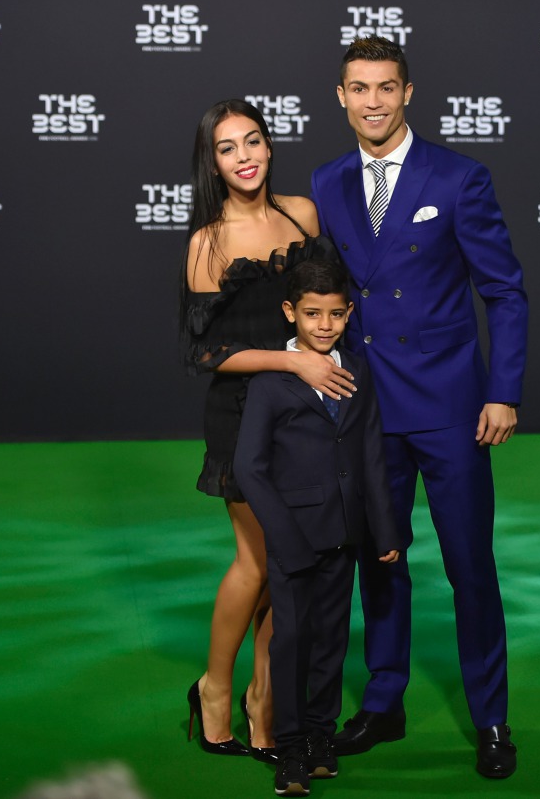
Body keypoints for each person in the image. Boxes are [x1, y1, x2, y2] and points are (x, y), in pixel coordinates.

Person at [310, 37, 529, 778]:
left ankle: (493, 718)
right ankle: (384, 700)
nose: (372, 101)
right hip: (366, 408)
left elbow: (503, 290)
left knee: (470, 565)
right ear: (340, 96)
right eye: (358, 88)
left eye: (386, 87)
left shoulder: (459, 177)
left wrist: (503, 390)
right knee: (381, 560)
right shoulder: (329, 181)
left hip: (451, 408)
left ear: (408, 94)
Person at [179, 98, 357, 762]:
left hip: (306, 418)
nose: (245, 156)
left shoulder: (301, 215)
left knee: (298, 565)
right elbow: (205, 354)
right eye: (228, 148)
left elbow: (328, 308)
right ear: (212, 161)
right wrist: (291, 360)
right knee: (258, 563)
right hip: (243, 416)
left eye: (253, 141)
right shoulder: (207, 242)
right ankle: (215, 689)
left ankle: (266, 700)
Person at [233, 257, 402, 796]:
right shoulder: (270, 382)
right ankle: (290, 748)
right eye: (312, 314)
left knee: (331, 640)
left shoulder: (359, 368)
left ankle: (320, 737)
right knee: (292, 641)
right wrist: (281, 535)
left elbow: (371, 451)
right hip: (293, 537)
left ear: (349, 313)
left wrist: (386, 528)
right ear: (291, 313)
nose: (324, 325)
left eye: (334, 314)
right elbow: (249, 468)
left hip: (347, 532)